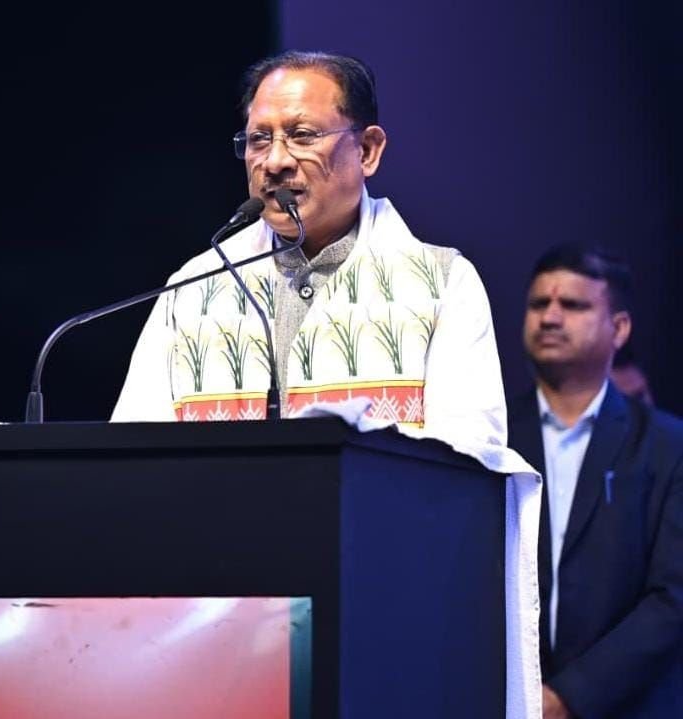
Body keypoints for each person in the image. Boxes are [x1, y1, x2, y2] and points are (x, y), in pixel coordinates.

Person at [111, 50, 505, 451]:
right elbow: (133, 457)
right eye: (259, 139)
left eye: (302, 135)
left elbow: (469, 457)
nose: (275, 161)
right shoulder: (193, 288)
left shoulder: (443, 284)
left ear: (367, 150)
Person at [507, 243, 683, 718]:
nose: (550, 317)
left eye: (573, 305)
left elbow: (674, 596)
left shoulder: (668, 446)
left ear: (619, 328)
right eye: (539, 304)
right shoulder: (491, 437)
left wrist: (569, 696)